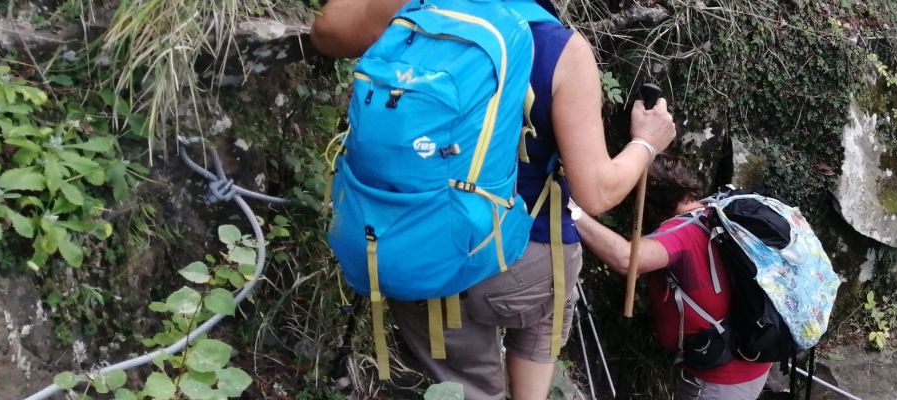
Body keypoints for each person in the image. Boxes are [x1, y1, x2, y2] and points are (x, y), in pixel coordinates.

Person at [310, 0, 677, 398]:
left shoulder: (417, 9)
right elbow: (598, 191)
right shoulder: (562, 49)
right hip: (524, 268)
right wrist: (646, 142)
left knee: (464, 388)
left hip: (417, 247)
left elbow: (324, 30)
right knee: (554, 283)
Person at [569, 155, 772, 400]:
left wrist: (571, 211)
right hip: (753, 358)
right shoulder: (715, 211)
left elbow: (626, 259)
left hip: (720, 378)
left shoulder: (679, 235)